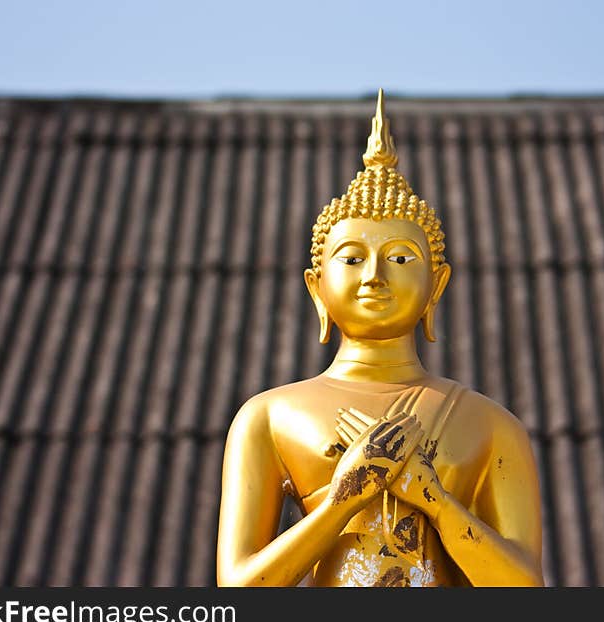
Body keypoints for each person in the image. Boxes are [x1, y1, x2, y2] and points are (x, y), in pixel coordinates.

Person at [216, 90, 543, 587]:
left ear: (437, 285)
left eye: (400, 258)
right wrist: (345, 496)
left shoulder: (491, 425)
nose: (374, 276)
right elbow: (238, 590)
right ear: (316, 286)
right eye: (350, 258)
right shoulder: (268, 417)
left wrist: (431, 498)